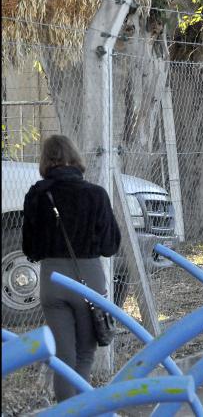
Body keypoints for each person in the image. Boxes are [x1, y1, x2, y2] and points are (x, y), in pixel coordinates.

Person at [22, 135, 121, 401]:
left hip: (52, 279)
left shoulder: (37, 195)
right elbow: (110, 246)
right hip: (87, 277)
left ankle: (64, 410)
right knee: (84, 355)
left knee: (63, 357)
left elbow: (30, 248)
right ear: (75, 158)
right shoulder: (96, 194)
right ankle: (82, 409)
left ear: (45, 161)